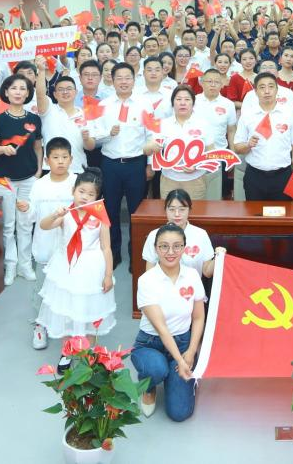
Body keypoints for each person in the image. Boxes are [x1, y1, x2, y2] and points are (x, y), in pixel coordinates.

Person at [36, 170, 116, 372]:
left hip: (92, 267)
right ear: (73, 190)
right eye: (81, 191)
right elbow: (44, 226)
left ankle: (89, 352)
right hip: (67, 267)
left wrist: (108, 275)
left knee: (90, 310)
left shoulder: (99, 216)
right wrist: (56, 214)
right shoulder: (66, 213)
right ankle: (67, 352)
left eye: (91, 194)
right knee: (67, 310)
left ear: (97, 197)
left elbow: (106, 247)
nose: (85, 197)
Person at [132, 222, 208, 421]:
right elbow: (162, 329)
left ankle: (177, 380)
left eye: (177, 246)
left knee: (179, 413)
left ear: (184, 248)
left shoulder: (192, 275)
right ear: (156, 249)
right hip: (151, 343)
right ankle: (149, 385)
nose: (171, 252)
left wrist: (191, 352)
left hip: (182, 342)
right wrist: (181, 361)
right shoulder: (147, 280)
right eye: (164, 246)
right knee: (156, 369)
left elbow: (198, 317)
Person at [0, 74, 44, 285]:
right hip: (4, 180)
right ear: (6, 92)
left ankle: (25, 265)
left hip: (29, 178)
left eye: (23, 88)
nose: (18, 92)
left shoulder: (34, 119)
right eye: (14, 88)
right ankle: (10, 265)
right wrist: (4, 149)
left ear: (28, 93)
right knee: (8, 226)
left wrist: (38, 171)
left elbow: (38, 147)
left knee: (26, 224)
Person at [29, 138, 78, 351]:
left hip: (71, 247)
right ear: (47, 160)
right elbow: (32, 216)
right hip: (45, 246)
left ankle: (71, 325)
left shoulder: (77, 183)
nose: (60, 161)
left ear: (71, 159)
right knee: (43, 289)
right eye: (55, 157)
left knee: (70, 288)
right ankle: (40, 325)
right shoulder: (39, 185)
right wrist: (25, 209)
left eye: (64, 157)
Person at [232, 73, 293, 200]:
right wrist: (248, 145)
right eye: (262, 87)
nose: (267, 91)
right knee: (254, 212)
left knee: (283, 212)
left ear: (277, 90)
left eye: (271, 86)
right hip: (254, 176)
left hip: (283, 175)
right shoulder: (247, 115)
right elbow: (237, 147)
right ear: (255, 92)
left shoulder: (289, 113)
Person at [146, 86, 212, 200]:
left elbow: (211, 152)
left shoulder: (203, 124)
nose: (182, 103)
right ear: (173, 103)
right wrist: (151, 147)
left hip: (196, 179)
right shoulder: (163, 124)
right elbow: (146, 150)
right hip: (169, 179)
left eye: (187, 99)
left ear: (193, 103)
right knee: (170, 210)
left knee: (196, 210)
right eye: (178, 99)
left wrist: (198, 165)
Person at [141, 190, 218, 280]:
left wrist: (218, 257)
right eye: (172, 209)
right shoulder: (154, 235)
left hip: (191, 287)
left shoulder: (201, 234)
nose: (177, 214)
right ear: (165, 210)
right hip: (162, 287)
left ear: (189, 210)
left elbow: (207, 272)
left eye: (182, 209)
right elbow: (149, 274)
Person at [35, 71, 92, 177]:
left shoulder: (85, 114)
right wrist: (41, 70)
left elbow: (90, 147)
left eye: (69, 89)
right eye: (61, 89)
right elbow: (40, 95)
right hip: (51, 168)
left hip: (78, 168)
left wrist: (87, 139)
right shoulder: (49, 110)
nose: (65, 92)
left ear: (76, 92)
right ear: (55, 94)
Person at [194, 70, 238, 201]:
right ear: (202, 83)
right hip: (195, 154)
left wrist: (232, 155)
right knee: (196, 194)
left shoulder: (228, 104)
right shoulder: (193, 101)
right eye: (209, 81)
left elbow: (231, 131)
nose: (213, 85)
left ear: (222, 84)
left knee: (217, 195)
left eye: (216, 82)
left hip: (219, 155)